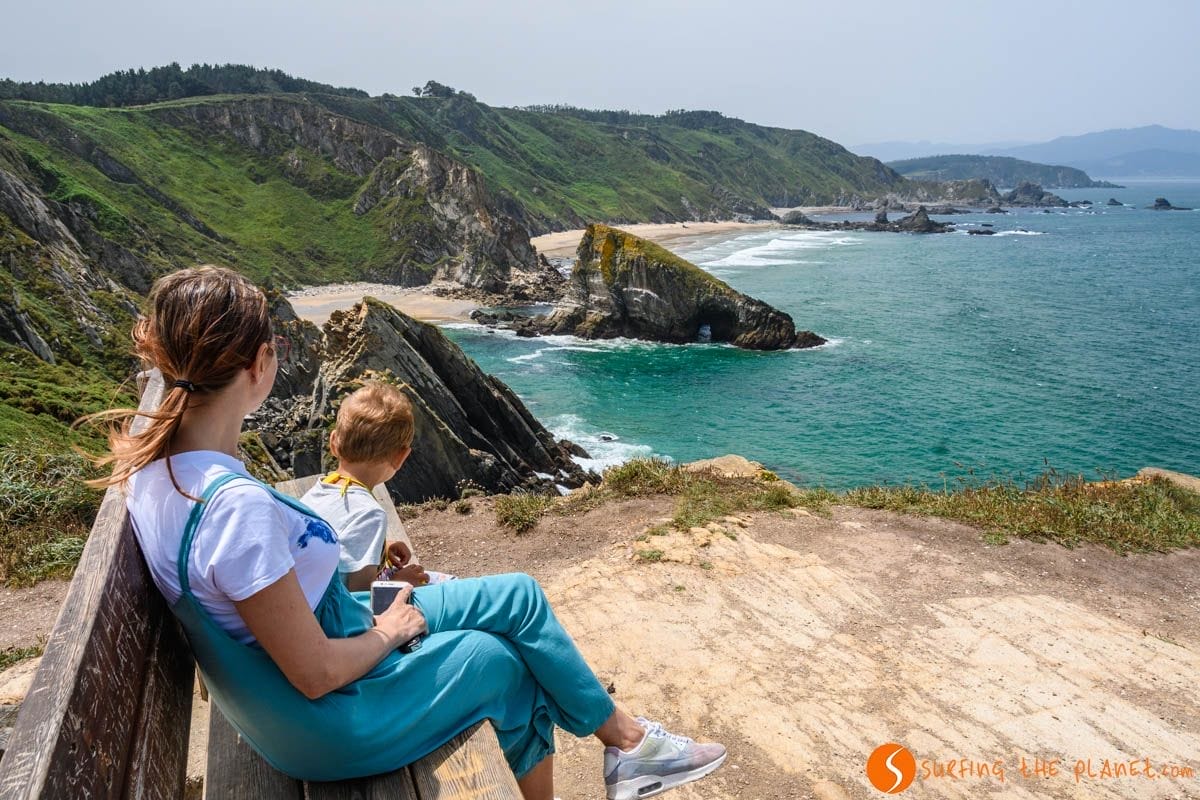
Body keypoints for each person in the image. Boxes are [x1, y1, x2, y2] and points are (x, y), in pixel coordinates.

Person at [85, 265, 726, 800]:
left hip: (313, 651)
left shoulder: (155, 465)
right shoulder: (231, 508)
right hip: (327, 716)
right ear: (259, 365)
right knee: (504, 664)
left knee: (520, 595)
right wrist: (389, 629)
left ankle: (629, 742)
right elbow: (314, 673)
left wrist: (374, 597)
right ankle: (629, 748)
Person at [299, 381, 453, 591]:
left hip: (319, 599)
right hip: (352, 613)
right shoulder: (368, 514)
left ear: (333, 442)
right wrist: (402, 583)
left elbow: (341, 548)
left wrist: (381, 548)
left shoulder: (316, 493)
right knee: (451, 585)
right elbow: (361, 596)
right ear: (401, 457)